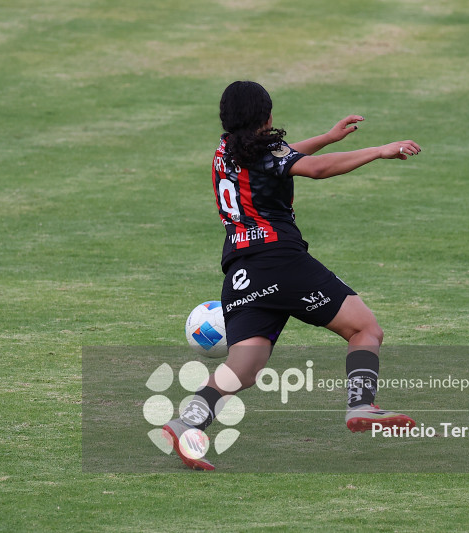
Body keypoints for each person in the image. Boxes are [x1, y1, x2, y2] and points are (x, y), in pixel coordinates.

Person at [163, 81, 421, 470]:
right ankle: (361, 405)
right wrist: (379, 150)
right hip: (280, 261)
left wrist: (328, 138)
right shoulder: (264, 150)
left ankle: (188, 422)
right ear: (266, 118)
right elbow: (310, 169)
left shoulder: (225, 150)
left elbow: (281, 157)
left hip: (241, 272)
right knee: (365, 330)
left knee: (244, 367)